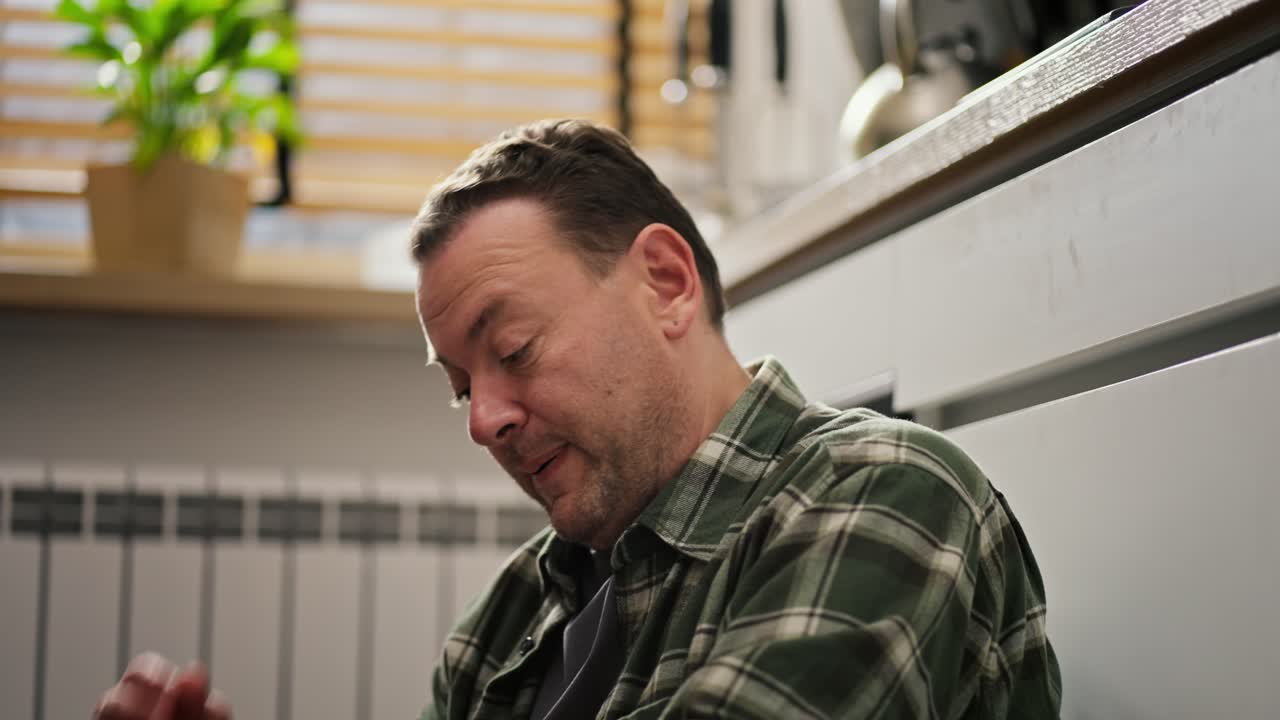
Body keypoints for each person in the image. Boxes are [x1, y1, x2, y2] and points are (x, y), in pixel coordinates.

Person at [94, 119, 1061, 720]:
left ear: (666, 282)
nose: (484, 421)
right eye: (461, 387)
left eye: (510, 351)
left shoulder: (883, 495)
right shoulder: (509, 619)